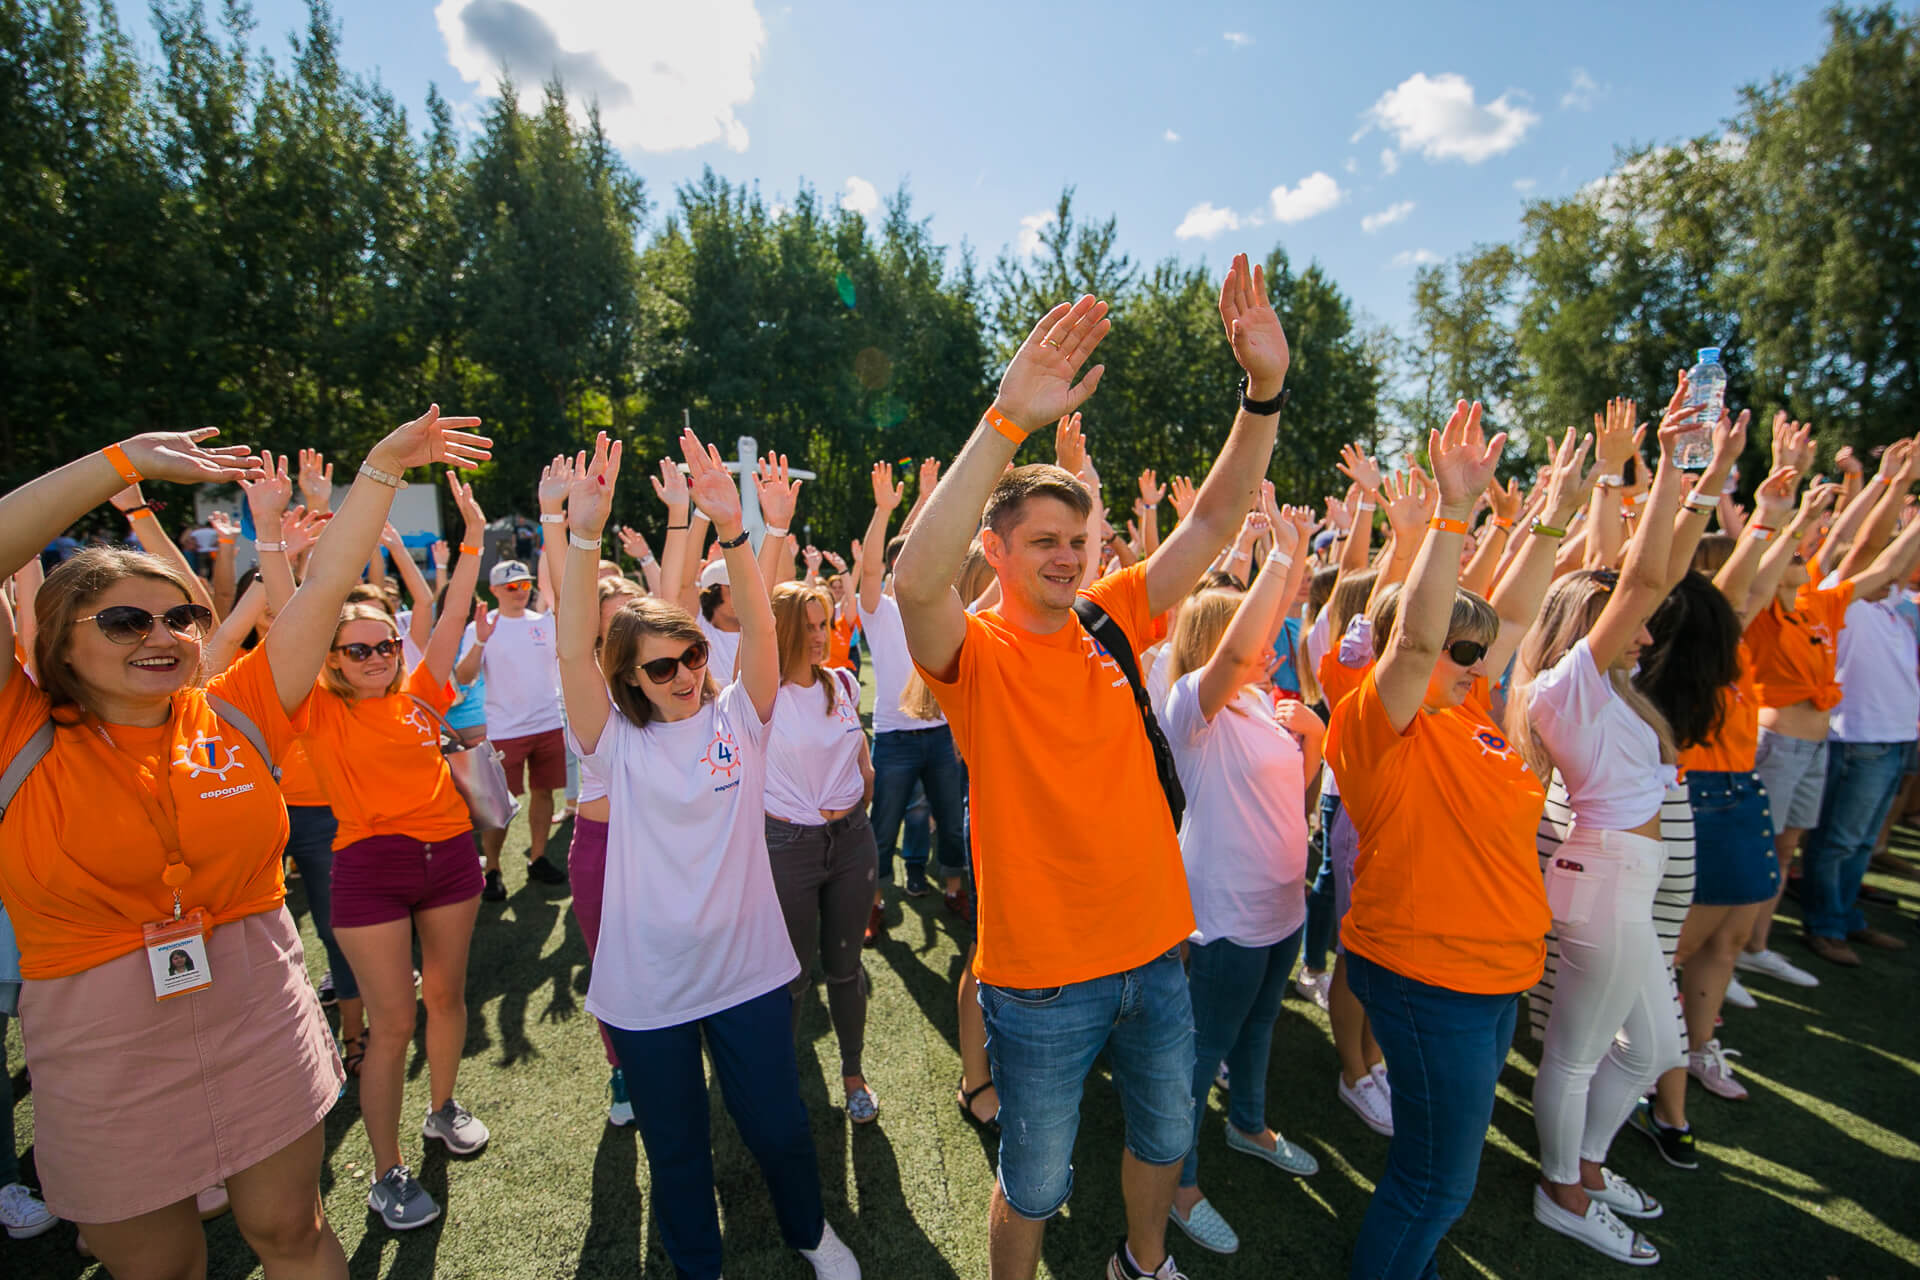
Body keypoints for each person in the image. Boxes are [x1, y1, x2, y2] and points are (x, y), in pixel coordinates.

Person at [0, 409, 488, 1277]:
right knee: (162, 1270)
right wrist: (115, 465)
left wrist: (378, 468)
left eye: (181, 618)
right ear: (60, 641)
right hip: (103, 1044)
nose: (164, 638)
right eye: (125, 623)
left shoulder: (237, 706)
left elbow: (329, 581)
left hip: (257, 1009)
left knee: (293, 1233)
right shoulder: (19, 731)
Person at [894, 255, 1288, 1280]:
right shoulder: (975, 652)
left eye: (1079, 537)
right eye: (1045, 542)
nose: (1068, 555)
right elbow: (913, 575)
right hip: (1040, 979)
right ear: (1000, 546)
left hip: (1158, 951)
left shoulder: (1111, 617)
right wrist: (1005, 421)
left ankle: (1141, 1263)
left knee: (1162, 1138)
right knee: (1034, 1177)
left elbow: (1208, 522)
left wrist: (1263, 394)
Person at [556, 430, 859, 1280]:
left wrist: (740, 530)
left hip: (748, 971)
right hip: (647, 985)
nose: (687, 673)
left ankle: (808, 1231)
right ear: (629, 680)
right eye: (663, 667)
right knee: (677, 1150)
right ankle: (699, 1266)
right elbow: (569, 645)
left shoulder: (740, 716)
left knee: (781, 1127)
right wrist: (582, 538)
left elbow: (762, 624)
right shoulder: (609, 742)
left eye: (692, 655)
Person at [1324, 406, 1594, 1280]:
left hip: (1486, 976)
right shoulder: (1381, 721)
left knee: (1438, 1174)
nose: (1477, 660)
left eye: (1480, 650)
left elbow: (1507, 615)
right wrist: (1449, 517)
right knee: (1438, 1182)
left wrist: (1553, 514)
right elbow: (1418, 641)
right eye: (1460, 647)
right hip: (1427, 977)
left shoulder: (1469, 710)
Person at [1508, 384, 1717, 1266]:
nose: (1645, 634)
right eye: (1626, 626)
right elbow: (1644, 575)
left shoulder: (1612, 688)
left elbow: (1650, 585)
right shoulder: (1568, 685)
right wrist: (1673, 464)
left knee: (1654, 1048)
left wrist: (1694, 487)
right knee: (1582, 1052)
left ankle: (1586, 1164)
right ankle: (1562, 1189)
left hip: (1620, 887)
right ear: (1584, 627)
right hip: (1603, 886)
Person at [295, 472, 493, 1230]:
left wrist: (471, 532)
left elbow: (451, 610)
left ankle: (441, 1108)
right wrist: (296, 542)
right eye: (358, 648)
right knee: (393, 1023)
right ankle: (388, 1172)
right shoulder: (315, 709)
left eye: (384, 642)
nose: (377, 654)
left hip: (448, 856)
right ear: (334, 658)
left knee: (445, 996)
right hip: (369, 869)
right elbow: (296, 616)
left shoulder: (419, 688)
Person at [1161, 497, 1319, 1256]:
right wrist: (1278, 560)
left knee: (1260, 1027)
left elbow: (1300, 792)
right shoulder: (1195, 706)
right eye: (1258, 640)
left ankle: (1249, 1124)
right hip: (1223, 914)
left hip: (1283, 908)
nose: (1272, 651)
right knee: (1200, 1051)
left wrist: (1313, 741)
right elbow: (1230, 656)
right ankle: (1180, 1185)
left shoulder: (1265, 704)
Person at [1738, 440, 1916, 989]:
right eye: (1794, 553)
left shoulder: (1821, 605)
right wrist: (1796, 518)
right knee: (1762, 850)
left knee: (1786, 850)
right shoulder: (1765, 611)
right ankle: (1732, 945)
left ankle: (1757, 945)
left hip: (1815, 745)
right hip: (1777, 745)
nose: (1802, 556)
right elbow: (1843, 541)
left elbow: (1883, 562)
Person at [1796, 437, 1920, 966]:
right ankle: (1825, 924)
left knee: (1863, 839)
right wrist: (1895, 484)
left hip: (1894, 737)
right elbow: (1870, 544)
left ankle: (1847, 915)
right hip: (1858, 737)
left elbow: (1892, 552)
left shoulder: (1891, 606)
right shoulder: (1841, 601)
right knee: (1839, 840)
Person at [764, 580, 880, 1121]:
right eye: (808, 625)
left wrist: (863, 795)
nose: (820, 635)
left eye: (824, 623)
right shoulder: (761, 695)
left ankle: (853, 1074)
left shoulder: (843, 683)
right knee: (789, 976)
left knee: (845, 967)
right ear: (783, 629)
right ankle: (781, 1081)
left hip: (852, 841)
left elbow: (860, 759)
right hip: (790, 845)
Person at [857, 461, 969, 907]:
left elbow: (926, 546)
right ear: (892, 572)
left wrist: (929, 501)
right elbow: (868, 570)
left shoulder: (939, 608)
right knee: (883, 826)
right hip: (895, 738)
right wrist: (884, 510)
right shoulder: (878, 610)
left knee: (949, 820)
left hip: (940, 734)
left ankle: (956, 891)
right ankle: (876, 902)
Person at [466, 558, 569, 899]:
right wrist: (480, 642)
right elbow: (463, 678)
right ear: (494, 590)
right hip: (504, 730)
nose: (520, 592)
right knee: (500, 806)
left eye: (525, 585)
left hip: (548, 723)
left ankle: (537, 857)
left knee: (544, 793)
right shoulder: (480, 627)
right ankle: (493, 868)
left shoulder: (543, 623)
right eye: (512, 586)